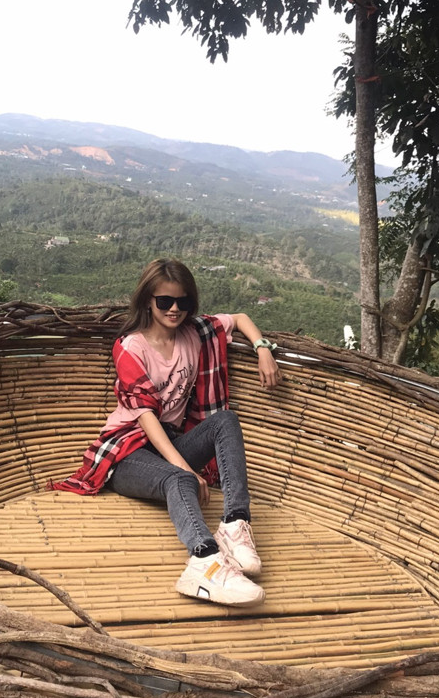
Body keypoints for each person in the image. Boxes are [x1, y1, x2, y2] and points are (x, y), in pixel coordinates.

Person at [50, 258, 281, 607]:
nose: (175, 309)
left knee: (225, 421)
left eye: (182, 301)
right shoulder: (131, 348)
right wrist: (186, 469)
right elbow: (146, 419)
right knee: (179, 479)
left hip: (169, 441)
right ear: (148, 300)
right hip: (126, 451)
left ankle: (235, 523)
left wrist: (263, 349)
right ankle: (203, 561)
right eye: (165, 301)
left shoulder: (194, 333)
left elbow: (240, 318)